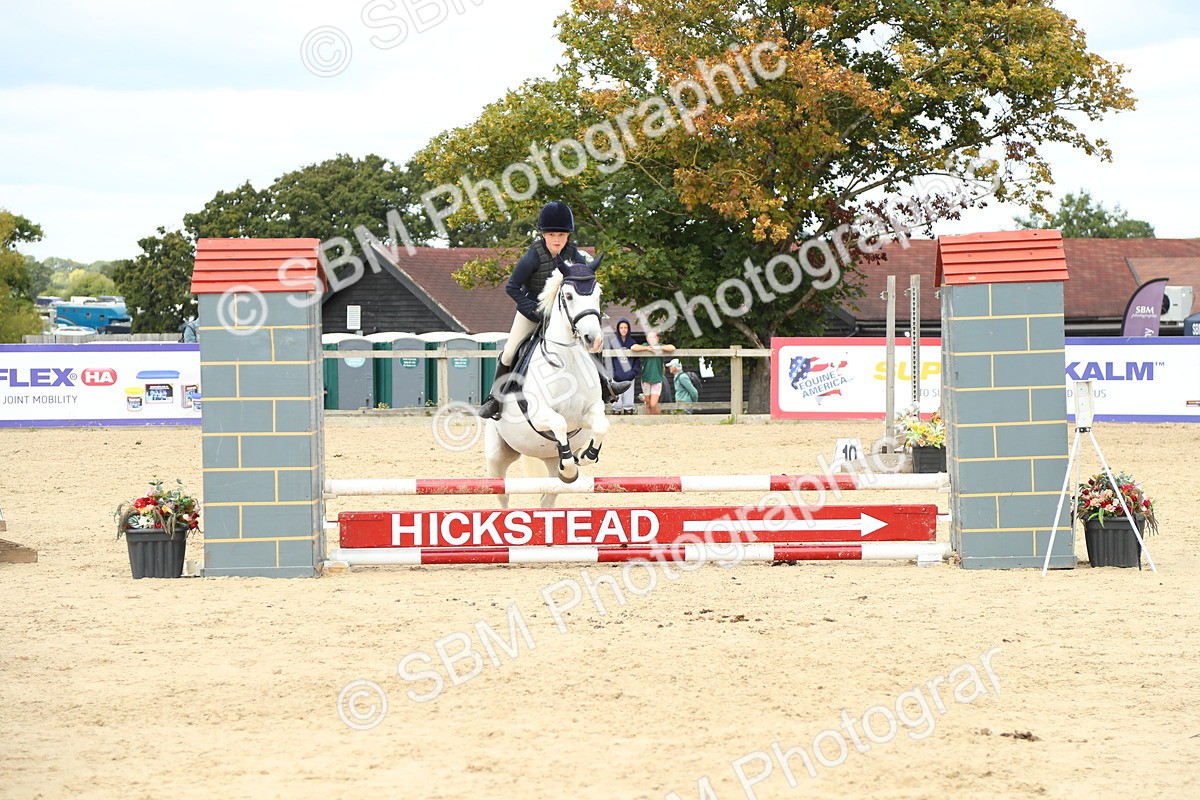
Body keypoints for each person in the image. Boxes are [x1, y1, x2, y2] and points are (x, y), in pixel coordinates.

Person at [477, 201, 632, 420]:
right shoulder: (533, 256)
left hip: (563, 313)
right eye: (551, 235)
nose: (557, 240)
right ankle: (495, 399)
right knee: (511, 351)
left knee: (594, 340)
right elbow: (512, 287)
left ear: (568, 235)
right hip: (532, 310)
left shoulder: (574, 255)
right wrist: (534, 310)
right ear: (543, 234)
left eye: (561, 234)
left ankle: (605, 386)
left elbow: (583, 282)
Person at [630, 330, 675, 415]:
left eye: (654, 337)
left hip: (657, 378)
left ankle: (657, 420)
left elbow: (672, 348)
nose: (652, 339)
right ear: (647, 339)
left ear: (658, 338)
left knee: (653, 404)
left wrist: (659, 348)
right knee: (648, 403)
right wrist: (646, 348)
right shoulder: (645, 346)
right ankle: (649, 422)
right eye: (650, 337)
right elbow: (633, 347)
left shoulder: (661, 346)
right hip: (646, 378)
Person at [608, 318, 641, 414]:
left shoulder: (633, 343)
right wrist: (613, 373)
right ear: (618, 329)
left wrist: (633, 373)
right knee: (617, 402)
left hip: (629, 376)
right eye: (621, 327)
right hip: (616, 376)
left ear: (628, 329)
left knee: (628, 401)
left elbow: (637, 360)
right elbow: (608, 360)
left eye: (625, 327)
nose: (623, 330)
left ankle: (629, 417)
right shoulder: (613, 343)